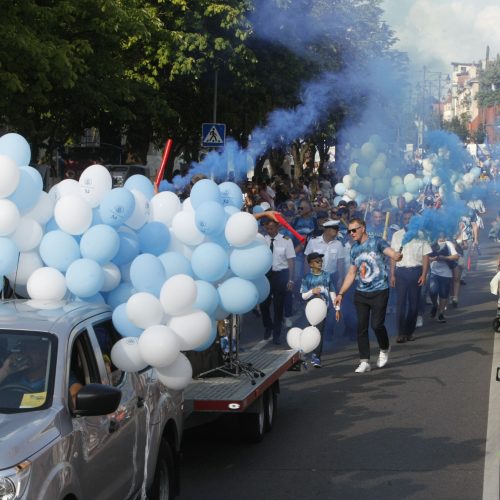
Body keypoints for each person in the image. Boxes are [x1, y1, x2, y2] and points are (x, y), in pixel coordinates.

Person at [334, 218, 403, 373]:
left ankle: (384, 348)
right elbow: (351, 274)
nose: (351, 233)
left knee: (377, 325)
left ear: (362, 228)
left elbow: (391, 252)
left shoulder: (377, 242)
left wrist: (396, 256)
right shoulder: (354, 250)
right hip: (361, 293)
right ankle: (364, 361)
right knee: (361, 327)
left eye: (354, 230)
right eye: (349, 231)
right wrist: (341, 293)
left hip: (380, 290)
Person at [390, 210, 431, 343]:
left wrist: (424, 274)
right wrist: (392, 274)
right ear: (403, 220)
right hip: (401, 272)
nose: (407, 221)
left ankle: (409, 331)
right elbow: (393, 256)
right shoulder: (397, 235)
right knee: (401, 304)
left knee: (414, 304)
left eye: (410, 219)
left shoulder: (422, 235)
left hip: (416, 272)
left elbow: (426, 256)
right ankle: (401, 333)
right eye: (405, 219)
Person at [260, 220, 296, 344]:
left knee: (278, 306)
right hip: (266, 276)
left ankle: (276, 334)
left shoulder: (286, 240)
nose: (270, 231)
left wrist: (291, 279)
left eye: (272, 228)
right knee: (264, 304)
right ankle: (268, 325)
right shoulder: (261, 240)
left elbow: (291, 260)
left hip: (281, 275)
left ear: (277, 227)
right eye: (267, 228)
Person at [300, 252, 337, 368]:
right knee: (310, 331)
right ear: (311, 264)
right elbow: (303, 296)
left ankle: (316, 356)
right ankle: (305, 350)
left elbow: (332, 291)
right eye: (317, 261)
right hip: (310, 310)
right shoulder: (307, 278)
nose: (320, 263)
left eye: (321, 261)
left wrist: (337, 308)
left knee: (319, 332)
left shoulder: (327, 275)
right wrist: (312, 291)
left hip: (323, 309)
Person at [428, 234, 459, 323]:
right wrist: (432, 258)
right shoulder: (432, 243)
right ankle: (434, 305)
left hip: (446, 274)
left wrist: (444, 257)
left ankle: (441, 314)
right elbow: (425, 256)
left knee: (443, 294)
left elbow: (456, 256)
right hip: (434, 272)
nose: (440, 235)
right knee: (432, 290)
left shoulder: (448, 244)